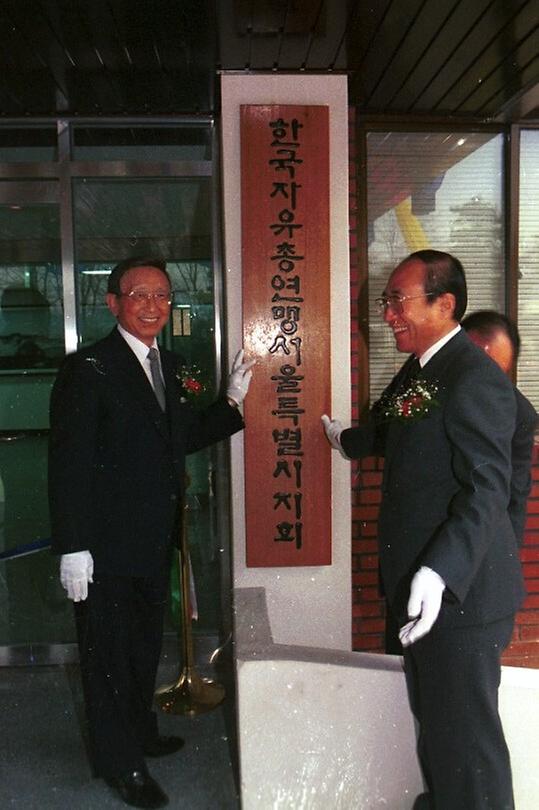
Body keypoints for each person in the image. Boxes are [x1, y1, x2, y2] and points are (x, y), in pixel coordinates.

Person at [48, 256, 253, 809]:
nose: (153, 306)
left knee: (140, 646)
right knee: (108, 654)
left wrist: (232, 402)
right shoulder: (88, 367)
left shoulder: (170, 363)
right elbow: (67, 464)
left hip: (152, 538)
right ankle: (120, 765)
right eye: (139, 294)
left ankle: (139, 733)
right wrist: (73, 546)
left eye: (163, 296)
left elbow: (176, 437)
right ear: (112, 302)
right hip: (103, 545)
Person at [322, 250, 524, 809]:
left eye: (398, 302)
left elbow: (488, 487)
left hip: (461, 594)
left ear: (445, 304)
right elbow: (391, 428)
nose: (388, 314)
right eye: (386, 302)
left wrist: (440, 570)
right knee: (437, 725)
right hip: (424, 587)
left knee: (469, 746)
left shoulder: (472, 377)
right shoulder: (423, 367)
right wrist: (344, 439)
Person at [462, 310, 538, 543]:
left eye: (495, 372)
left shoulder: (520, 415)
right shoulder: (436, 391)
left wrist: (509, 554)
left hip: (480, 532)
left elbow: (516, 491)